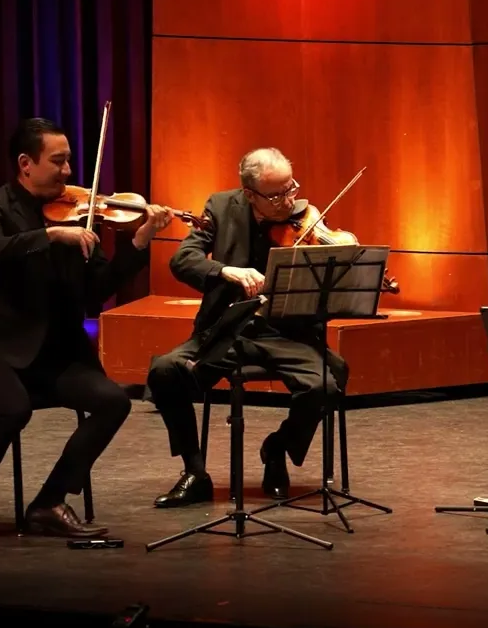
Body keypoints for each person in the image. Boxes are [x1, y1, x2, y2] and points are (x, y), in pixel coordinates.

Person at [0, 118, 175, 546]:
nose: (68, 171)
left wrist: (141, 240)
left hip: (51, 355)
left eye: (69, 160)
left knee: (112, 402)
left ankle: (48, 503)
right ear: (25, 163)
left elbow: (96, 292)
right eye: (58, 161)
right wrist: (51, 236)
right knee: (13, 410)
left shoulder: (79, 212)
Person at [146, 147, 349, 507]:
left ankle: (277, 448)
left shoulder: (304, 220)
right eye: (276, 195)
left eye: (291, 188)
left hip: (287, 333)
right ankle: (195, 472)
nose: (289, 201)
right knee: (164, 371)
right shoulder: (221, 207)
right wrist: (225, 270)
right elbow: (183, 260)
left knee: (325, 386)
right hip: (228, 329)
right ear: (249, 194)